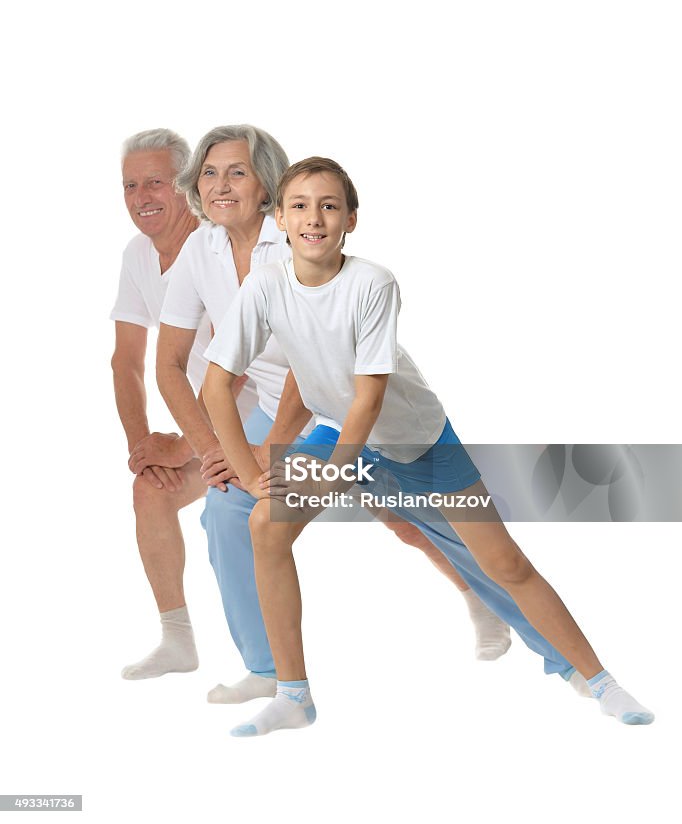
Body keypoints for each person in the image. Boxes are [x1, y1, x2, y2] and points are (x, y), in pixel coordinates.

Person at [202, 156, 655, 736]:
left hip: (416, 441)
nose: (314, 218)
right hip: (335, 428)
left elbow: (369, 399)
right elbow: (218, 382)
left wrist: (334, 472)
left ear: (351, 220)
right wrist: (248, 471)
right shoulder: (264, 285)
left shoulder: (373, 283)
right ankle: (294, 696)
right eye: (300, 206)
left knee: (504, 563)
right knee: (265, 523)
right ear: (281, 221)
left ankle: (599, 682)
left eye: (329, 206)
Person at [153, 126, 510, 703]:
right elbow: (170, 362)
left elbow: (308, 365)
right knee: (228, 513)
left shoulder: (295, 233)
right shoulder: (201, 248)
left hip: (329, 404)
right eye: (210, 172)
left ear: (267, 184)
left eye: (237, 171)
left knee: (405, 516)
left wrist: (285, 451)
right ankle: (268, 669)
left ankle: (486, 598)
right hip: (272, 408)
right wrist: (212, 450)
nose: (220, 185)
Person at [112, 128, 218, 680]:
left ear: (184, 185)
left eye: (155, 181)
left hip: (282, 417)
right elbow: (125, 360)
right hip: (221, 431)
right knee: (149, 490)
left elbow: (237, 367)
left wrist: (183, 443)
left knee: (403, 515)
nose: (142, 195)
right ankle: (177, 640)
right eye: (131, 184)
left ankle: (481, 593)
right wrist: (144, 449)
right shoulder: (137, 255)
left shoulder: (217, 248)